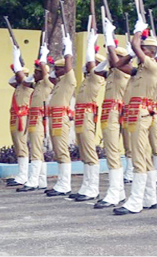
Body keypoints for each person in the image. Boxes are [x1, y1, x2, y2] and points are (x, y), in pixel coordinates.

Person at [113, 30, 157, 216]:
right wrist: (131, 53)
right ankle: (150, 197)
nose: (138, 51)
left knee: (137, 156)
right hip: (135, 113)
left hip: (141, 114)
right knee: (143, 155)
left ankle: (135, 201)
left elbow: (135, 45)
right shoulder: (140, 70)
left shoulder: (152, 66)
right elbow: (118, 65)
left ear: (150, 52)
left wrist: (137, 32)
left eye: (143, 49)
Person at [95, 44, 132, 208]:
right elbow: (96, 70)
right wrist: (107, 59)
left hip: (116, 112)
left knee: (113, 151)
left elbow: (117, 64)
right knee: (111, 151)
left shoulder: (121, 71)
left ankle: (114, 192)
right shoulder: (111, 72)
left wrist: (110, 43)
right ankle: (118, 191)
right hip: (110, 112)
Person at [70, 52, 106, 202]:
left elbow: (91, 65)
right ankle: (86, 186)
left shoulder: (97, 77)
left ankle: (93, 188)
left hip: (87, 116)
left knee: (89, 152)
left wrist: (91, 44)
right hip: (80, 116)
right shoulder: (87, 80)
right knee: (84, 152)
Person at [44, 52, 77, 197]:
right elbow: (50, 78)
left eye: (58, 69)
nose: (55, 72)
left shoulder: (68, 80)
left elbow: (69, 69)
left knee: (62, 150)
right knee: (57, 150)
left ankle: (65, 184)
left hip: (60, 119)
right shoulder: (59, 83)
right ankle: (61, 182)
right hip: (54, 118)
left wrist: (68, 52)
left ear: (65, 69)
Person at [18, 59, 52, 192]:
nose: (34, 75)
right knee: (36, 149)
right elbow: (24, 82)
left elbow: (45, 74)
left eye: (37, 73)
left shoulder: (47, 84)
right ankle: (41, 180)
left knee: (36, 151)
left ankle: (33, 180)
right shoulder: (37, 86)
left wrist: (42, 61)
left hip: (39, 120)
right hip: (33, 119)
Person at [6, 67, 33, 188]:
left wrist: (21, 73)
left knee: (21, 144)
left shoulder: (28, 85)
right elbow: (10, 81)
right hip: (15, 116)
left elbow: (23, 80)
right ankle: (21, 173)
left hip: (22, 116)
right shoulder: (18, 86)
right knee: (17, 144)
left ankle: (23, 175)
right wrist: (16, 72)